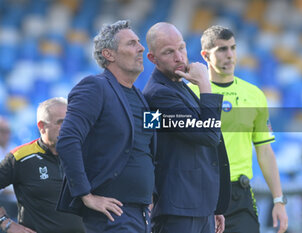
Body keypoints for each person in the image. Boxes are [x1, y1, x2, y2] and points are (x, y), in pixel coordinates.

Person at [56, 20, 156, 233]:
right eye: (131, 43)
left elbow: (149, 149)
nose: (141, 48)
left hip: (142, 214)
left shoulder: (143, 98)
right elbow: (67, 139)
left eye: (139, 42)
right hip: (113, 214)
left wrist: (151, 195)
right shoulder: (94, 86)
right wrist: (86, 195)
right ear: (109, 54)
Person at [188, 25, 288, 233]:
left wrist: (279, 200)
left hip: (239, 195)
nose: (230, 55)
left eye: (233, 48)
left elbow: (264, 151)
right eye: (222, 49)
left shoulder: (254, 95)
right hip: (200, 193)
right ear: (205, 55)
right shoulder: (189, 94)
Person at [143, 22, 231, 233]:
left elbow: (201, 148)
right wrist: (205, 87)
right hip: (179, 211)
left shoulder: (178, 86)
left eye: (181, 48)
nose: (179, 57)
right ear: (153, 59)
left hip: (198, 206)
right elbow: (209, 135)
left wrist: (213, 205)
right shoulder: (159, 94)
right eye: (169, 52)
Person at [0, 97, 85, 233]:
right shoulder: (21, 157)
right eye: (61, 122)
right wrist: (5, 222)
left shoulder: (85, 154)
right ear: (42, 126)